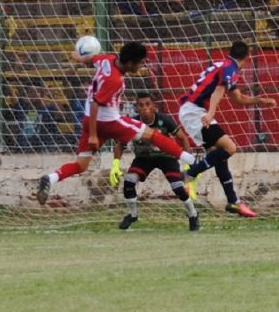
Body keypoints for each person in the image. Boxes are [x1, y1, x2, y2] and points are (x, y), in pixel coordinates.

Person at [36, 42, 197, 205]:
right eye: (140, 63)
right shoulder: (114, 80)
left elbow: (89, 58)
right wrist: (93, 135)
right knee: (153, 135)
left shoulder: (106, 59)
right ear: (130, 63)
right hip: (108, 122)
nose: (141, 66)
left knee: (81, 165)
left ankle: (50, 178)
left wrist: (77, 55)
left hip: (89, 120)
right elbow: (96, 103)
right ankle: (193, 161)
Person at [179, 41, 276, 218]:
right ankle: (189, 174)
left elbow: (237, 98)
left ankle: (233, 201)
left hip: (194, 111)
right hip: (194, 112)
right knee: (230, 148)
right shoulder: (230, 68)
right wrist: (211, 113)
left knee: (219, 156)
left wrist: (260, 101)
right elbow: (218, 91)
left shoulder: (225, 66)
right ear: (248, 57)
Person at [109, 92, 199, 231]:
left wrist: (187, 164)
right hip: (143, 158)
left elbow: (183, 138)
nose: (145, 108)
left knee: (178, 187)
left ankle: (193, 215)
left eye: (147, 104)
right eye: (141, 105)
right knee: (129, 181)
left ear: (154, 106)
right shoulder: (133, 123)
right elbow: (120, 144)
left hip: (166, 157)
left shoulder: (164, 120)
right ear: (137, 108)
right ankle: (132, 215)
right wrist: (115, 165)